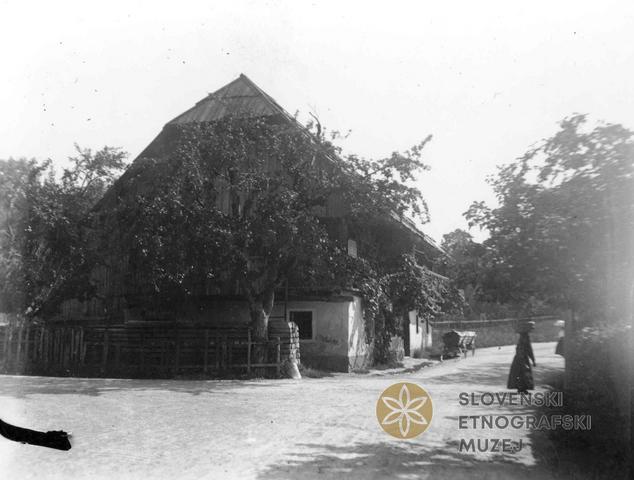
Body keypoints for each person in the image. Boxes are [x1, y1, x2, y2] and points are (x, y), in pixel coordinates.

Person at [507, 323, 536, 393]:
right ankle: (523, 388)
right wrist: (533, 360)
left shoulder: (521, 337)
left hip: (518, 357)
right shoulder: (526, 337)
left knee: (519, 373)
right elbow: (529, 349)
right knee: (524, 373)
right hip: (523, 358)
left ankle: (520, 388)